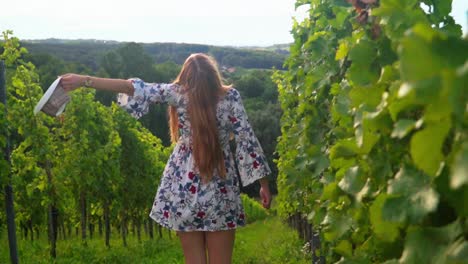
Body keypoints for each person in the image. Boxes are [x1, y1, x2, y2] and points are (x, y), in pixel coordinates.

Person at [60, 53, 272, 264]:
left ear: (185, 77)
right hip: (221, 192)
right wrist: (263, 185)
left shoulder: (178, 94)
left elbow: (130, 87)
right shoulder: (231, 97)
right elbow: (247, 141)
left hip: (183, 191)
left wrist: (84, 80)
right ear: (214, 75)